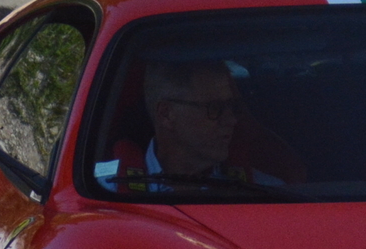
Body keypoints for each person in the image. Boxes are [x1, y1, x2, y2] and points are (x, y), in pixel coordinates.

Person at [99, 61, 295, 190]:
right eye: (215, 108)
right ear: (166, 114)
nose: (232, 120)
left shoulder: (266, 193)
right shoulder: (103, 191)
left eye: (232, 107)